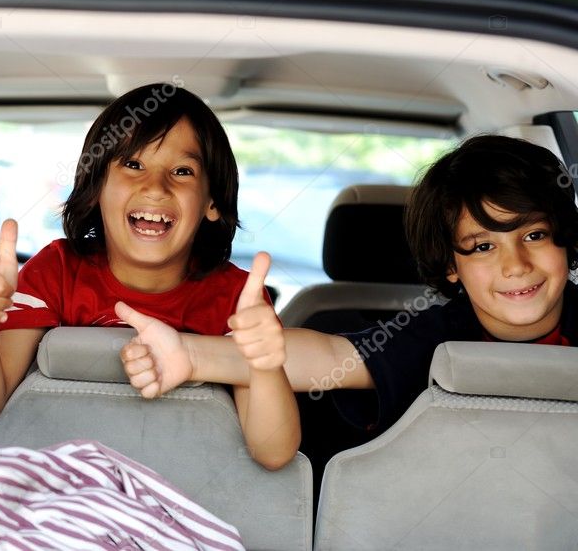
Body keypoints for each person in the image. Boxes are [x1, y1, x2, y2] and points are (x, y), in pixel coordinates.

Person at [117, 134, 578, 445]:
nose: (515, 265)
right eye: (481, 247)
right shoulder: (434, 333)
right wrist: (195, 355)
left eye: (533, 235)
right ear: (451, 266)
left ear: (564, 237)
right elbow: (329, 358)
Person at [0, 81, 300, 470]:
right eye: (133, 165)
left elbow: (273, 452)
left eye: (182, 171)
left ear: (212, 202)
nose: (155, 186)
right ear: (97, 186)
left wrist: (266, 366)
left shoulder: (237, 301)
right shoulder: (55, 272)